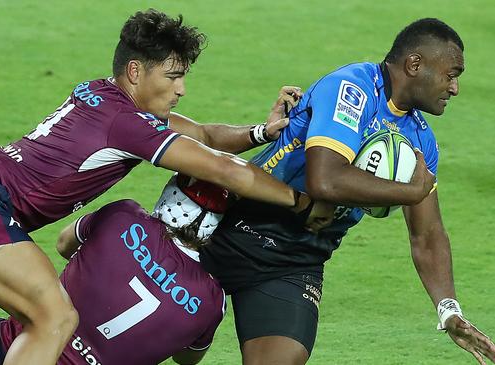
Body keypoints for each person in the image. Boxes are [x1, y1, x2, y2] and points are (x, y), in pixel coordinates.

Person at [0, 8, 344, 365]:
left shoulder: (103, 99)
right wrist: (302, 202)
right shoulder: (126, 126)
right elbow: (225, 170)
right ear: (135, 71)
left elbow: (206, 136)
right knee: (55, 317)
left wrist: (261, 133)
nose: (181, 88)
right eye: (172, 76)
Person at [200, 18, 495, 365]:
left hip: (295, 262)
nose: (456, 88)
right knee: (173, 344)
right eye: (451, 74)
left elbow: (427, 234)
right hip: (230, 231)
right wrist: (408, 192)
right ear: (415, 65)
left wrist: (449, 311)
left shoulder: (420, 141)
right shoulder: (352, 88)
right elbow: (324, 180)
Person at [0, 174, 231, 365]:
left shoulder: (125, 218)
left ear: (170, 196)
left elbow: (65, 243)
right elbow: (187, 358)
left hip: (11, 350)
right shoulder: (212, 301)